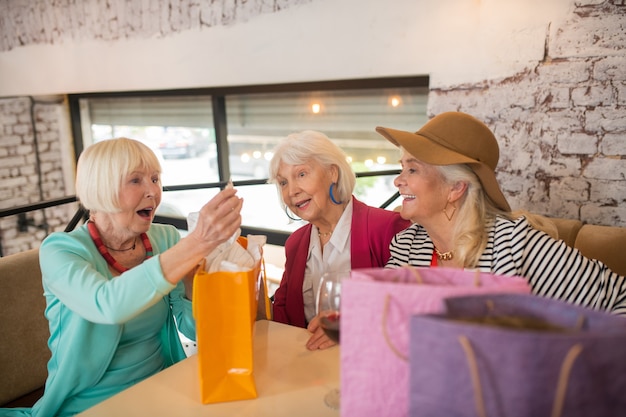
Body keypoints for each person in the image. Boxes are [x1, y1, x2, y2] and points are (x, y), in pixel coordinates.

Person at [0, 138, 243, 417]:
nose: (153, 191)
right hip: (89, 402)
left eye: (155, 178)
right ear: (101, 188)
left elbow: (194, 330)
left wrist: (192, 281)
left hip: (163, 386)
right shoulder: (60, 250)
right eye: (136, 180)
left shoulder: (164, 238)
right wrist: (197, 242)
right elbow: (107, 305)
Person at [376, 111, 626, 314]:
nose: (398, 181)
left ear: (455, 188)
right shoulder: (407, 243)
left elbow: (619, 298)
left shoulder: (514, 244)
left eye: (412, 170)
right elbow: (382, 314)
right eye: (402, 168)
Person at [268, 130, 411, 350]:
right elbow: (283, 314)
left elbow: (409, 307)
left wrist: (358, 323)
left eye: (302, 174)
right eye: (283, 183)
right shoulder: (295, 243)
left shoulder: (389, 228)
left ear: (332, 173)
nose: (292, 191)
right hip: (307, 367)